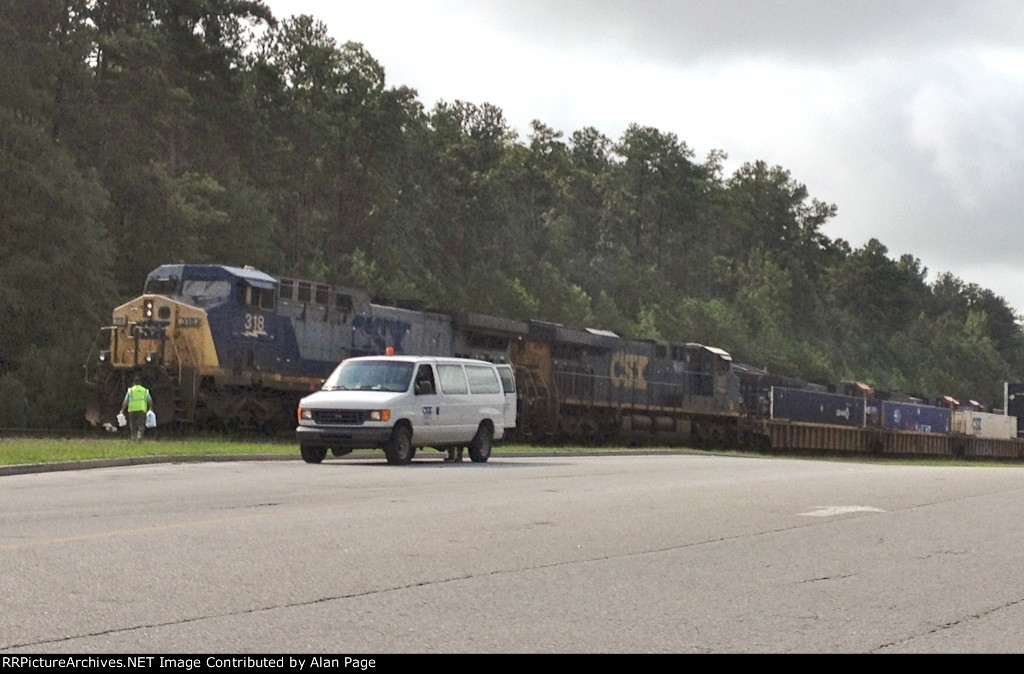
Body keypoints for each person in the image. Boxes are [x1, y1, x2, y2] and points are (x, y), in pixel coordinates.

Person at [120, 375, 153, 441]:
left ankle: (133, 436)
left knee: (132, 424)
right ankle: (139, 434)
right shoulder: (145, 390)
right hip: (142, 409)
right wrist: (150, 408)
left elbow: (126, 401)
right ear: (140, 383)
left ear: (133, 383)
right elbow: (150, 400)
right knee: (141, 424)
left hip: (132, 409)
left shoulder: (130, 390)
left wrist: (122, 410)